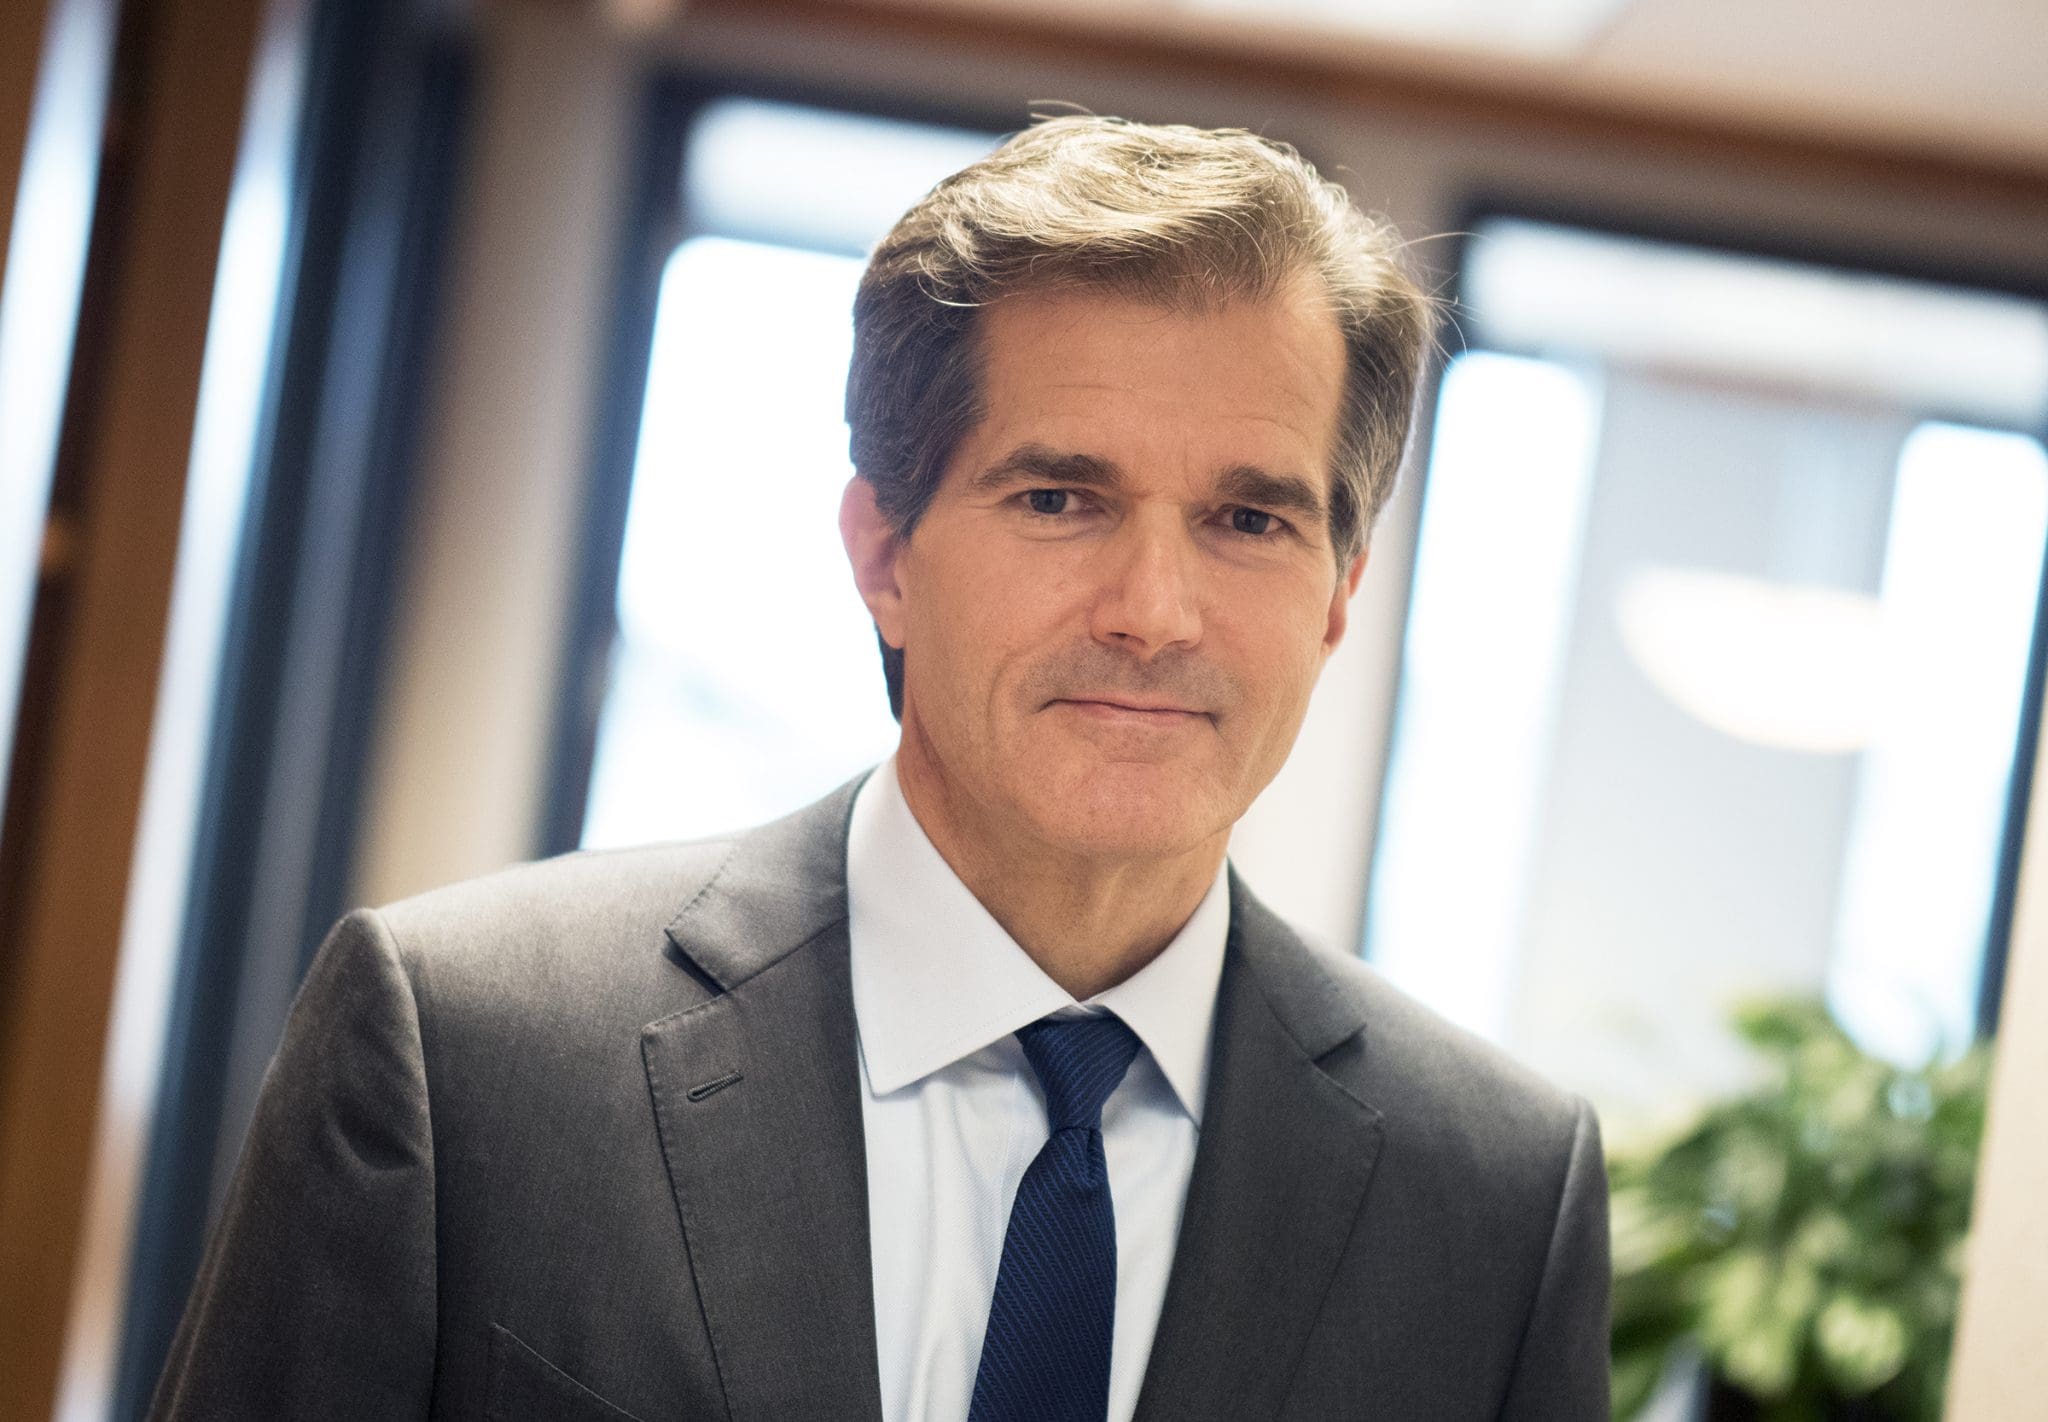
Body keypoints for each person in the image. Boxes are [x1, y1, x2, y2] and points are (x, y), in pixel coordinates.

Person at [150, 116, 1610, 1422]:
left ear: (1341, 592)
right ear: (884, 553)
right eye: (1059, 496)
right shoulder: (467, 1052)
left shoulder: (1493, 1201)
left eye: (1250, 522)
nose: (1155, 612)